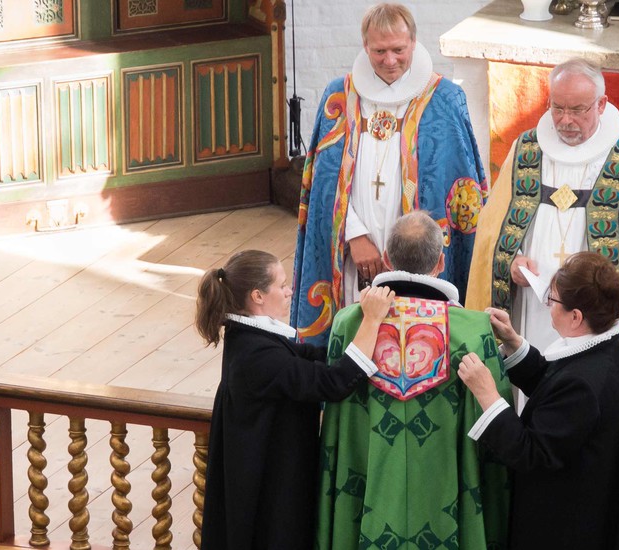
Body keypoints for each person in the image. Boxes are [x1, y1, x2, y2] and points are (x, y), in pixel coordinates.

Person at [466, 58, 619, 462]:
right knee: (528, 400)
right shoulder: (525, 150)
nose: (566, 120)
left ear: (602, 104)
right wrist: (509, 263)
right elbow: (492, 236)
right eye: (558, 108)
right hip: (532, 312)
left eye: (578, 109)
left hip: (592, 326)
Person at [292, 2, 486, 346]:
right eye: (379, 51)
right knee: (357, 335)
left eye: (399, 49)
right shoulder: (339, 95)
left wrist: (411, 246)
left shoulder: (444, 98)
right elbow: (324, 183)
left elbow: (459, 188)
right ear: (365, 45)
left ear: (414, 42)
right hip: (355, 256)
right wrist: (355, 236)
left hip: (419, 255)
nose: (390, 60)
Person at [316, 211, 511, 549]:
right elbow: (496, 426)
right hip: (446, 493)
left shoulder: (348, 323)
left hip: (367, 482)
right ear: (441, 262)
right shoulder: (473, 330)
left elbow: (336, 422)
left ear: (386, 258)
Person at [195, 249, 394, 549]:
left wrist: (358, 318)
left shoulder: (250, 338)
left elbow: (317, 357)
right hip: (270, 492)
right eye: (282, 285)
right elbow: (334, 382)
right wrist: (371, 320)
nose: (289, 291)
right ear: (258, 296)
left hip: (269, 474)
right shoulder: (259, 356)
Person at [458, 251, 619, 549]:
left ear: (576, 317)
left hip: (567, 524)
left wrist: (487, 394)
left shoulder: (583, 384)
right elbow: (555, 390)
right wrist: (513, 341)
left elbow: (531, 454)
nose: (548, 306)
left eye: (552, 301)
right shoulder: (608, 349)